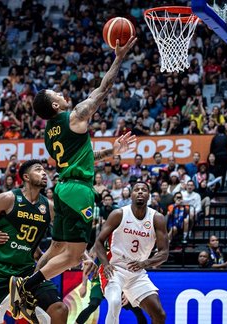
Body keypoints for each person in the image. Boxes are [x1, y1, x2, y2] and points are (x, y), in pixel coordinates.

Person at [16, 35, 138, 313]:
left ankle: (27, 286)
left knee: (57, 246)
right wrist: (119, 57)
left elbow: (84, 157)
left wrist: (113, 152)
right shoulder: (76, 115)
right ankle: (30, 285)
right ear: (55, 105)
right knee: (72, 256)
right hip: (79, 191)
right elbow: (103, 89)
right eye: (54, 93)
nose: (59, 92)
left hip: (61, 189)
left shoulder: (50, 132)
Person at [0, 160, 69, 323]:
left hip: (26, 272)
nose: (44, 173)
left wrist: (84, 257)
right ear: (26, 177)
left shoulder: (49, 207)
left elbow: (70, 237)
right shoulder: (8, 198)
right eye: (38, 170)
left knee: (60, 309)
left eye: (45, 171)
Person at [92, 182, 168, 324]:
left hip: (137, 272)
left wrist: (145, 263)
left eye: (144, 190)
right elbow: (98, 242)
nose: (140, 192)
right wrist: (106, 264)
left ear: (149, 196)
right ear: (131, 195)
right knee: (115, 302)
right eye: (136, 190)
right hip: (114, 269)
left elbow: (164, 253)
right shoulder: (119, 214)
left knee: (159, 314)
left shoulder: (157, 218)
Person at [209, 125, 227, 189]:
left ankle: (216, 185)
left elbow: (211, 149)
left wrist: (212, 156)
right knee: (223, 171)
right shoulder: (226, 137)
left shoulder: (215, 138)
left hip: (217, 156)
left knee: (217, 171)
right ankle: (222, 186)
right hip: (225, 156)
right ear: (224, 130)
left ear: (217, 130)